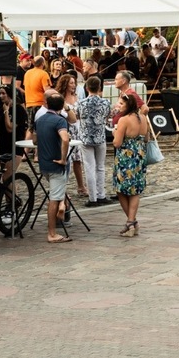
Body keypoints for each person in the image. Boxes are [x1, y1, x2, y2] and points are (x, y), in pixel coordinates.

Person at [35, 94, 71, 244]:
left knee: (56, 194)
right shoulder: (60, 120)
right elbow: (65, 138)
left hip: (44, 164)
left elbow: (34, 140)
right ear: (62, 106)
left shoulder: (40, 120)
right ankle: (52, 233)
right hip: (56, 164)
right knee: (54, 199)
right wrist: (63, 158)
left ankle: (63, 206)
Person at [112, 92, 148, 237]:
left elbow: (117, 143)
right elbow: (147, 138)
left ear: (128, 105)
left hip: (126, 157)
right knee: (135, 189)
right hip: (139, 156)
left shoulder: (124, 120)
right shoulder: (143, 118)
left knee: (121, 189)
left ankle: (131, 222)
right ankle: (132, 221)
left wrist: (115, 132)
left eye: (121, 104)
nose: (118, 106)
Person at [76, 75, 112, 207]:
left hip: (85, 137)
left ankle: (92, 198)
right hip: (100, 137)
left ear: (86, 88)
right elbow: (108, 115)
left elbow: (77, 116)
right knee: (100, 167)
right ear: (100, 88)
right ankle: (101, 194)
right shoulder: (105, 102)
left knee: (89, 167)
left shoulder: (81, 103)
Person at [56, 74, 87, 197]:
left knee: (78, 159)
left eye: (74, 83)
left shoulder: (77, 97)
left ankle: (81, 186)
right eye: (71, 83)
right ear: (65, 84)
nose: (74, 85)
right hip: (66, 128)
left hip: (78, 129)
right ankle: (63, 188)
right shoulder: (60, 98)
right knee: (66, 159)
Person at [23, 56, 52, 123]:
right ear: (42, 63)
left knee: (30, 128)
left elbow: (26, 86)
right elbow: (47, 91)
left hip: (28, 104)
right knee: (41, 126)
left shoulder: (27, 73)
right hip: (40, 104)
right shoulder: (44, 74)